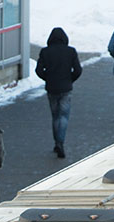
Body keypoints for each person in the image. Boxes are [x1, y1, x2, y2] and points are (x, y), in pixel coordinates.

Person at [35, 27, 82, 159]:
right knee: (63, 116)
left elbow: (38, 70)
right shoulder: (71, 51)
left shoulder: (45, 52)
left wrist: (48, 78)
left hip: (51, 88)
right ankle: (60, 142)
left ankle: (57, 142)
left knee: (55, 115)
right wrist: (70, 79)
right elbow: (78, 70)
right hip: (66, 88)